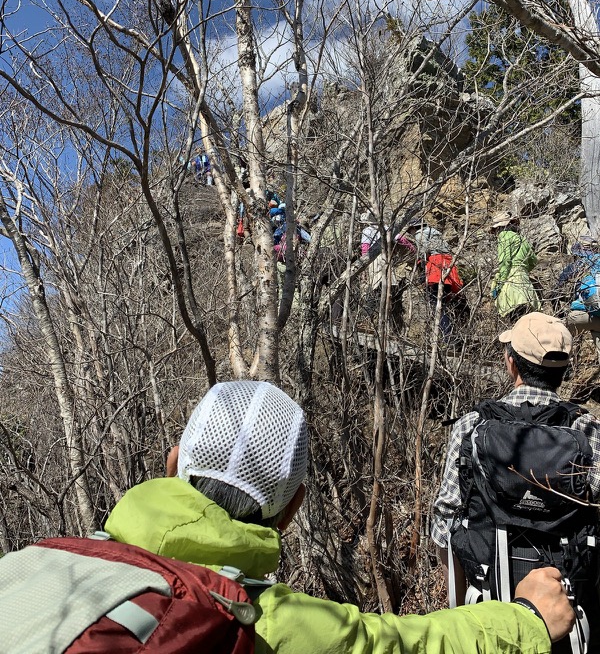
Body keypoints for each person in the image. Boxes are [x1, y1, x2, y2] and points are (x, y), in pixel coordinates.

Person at [103, 379, 574, 654]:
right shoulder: (265, 624)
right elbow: (409, 644)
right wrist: (528, 619)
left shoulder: (39, 561)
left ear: (173, 462)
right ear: (292, 509)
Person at [431, 313, 600, 641]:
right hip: (567, 607)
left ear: (511, 363)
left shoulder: (472, 427)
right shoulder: (587, 429)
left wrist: (463, 597)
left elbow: (445, 520)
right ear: (564, 373)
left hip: (488, 599)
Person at [406, 218, 461, 341]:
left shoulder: (420, 235)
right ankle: (453, 336)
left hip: (435, 270)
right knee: (445, 303)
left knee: (437, 305)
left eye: (411, 231)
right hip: (447, 267)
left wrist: (419, 267)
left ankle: (448, 338)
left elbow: (423, 254)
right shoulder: (436, 233)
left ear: (414, 228)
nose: (411, 234)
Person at [489, 211, 540, 322]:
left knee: (516, 322)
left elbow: (505, 261)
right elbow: (533, 260)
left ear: (499, 228)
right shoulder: (522, 239)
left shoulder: (504, 236)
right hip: (526, 284)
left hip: (512, 284)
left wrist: (500, 283)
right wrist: (523, 268)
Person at [559, 236, 600, 365]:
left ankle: (567, 364)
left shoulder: (578, 265)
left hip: (581, 318)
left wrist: (560, 314)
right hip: (598, 314)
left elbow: (556, 288)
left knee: (565, 330)